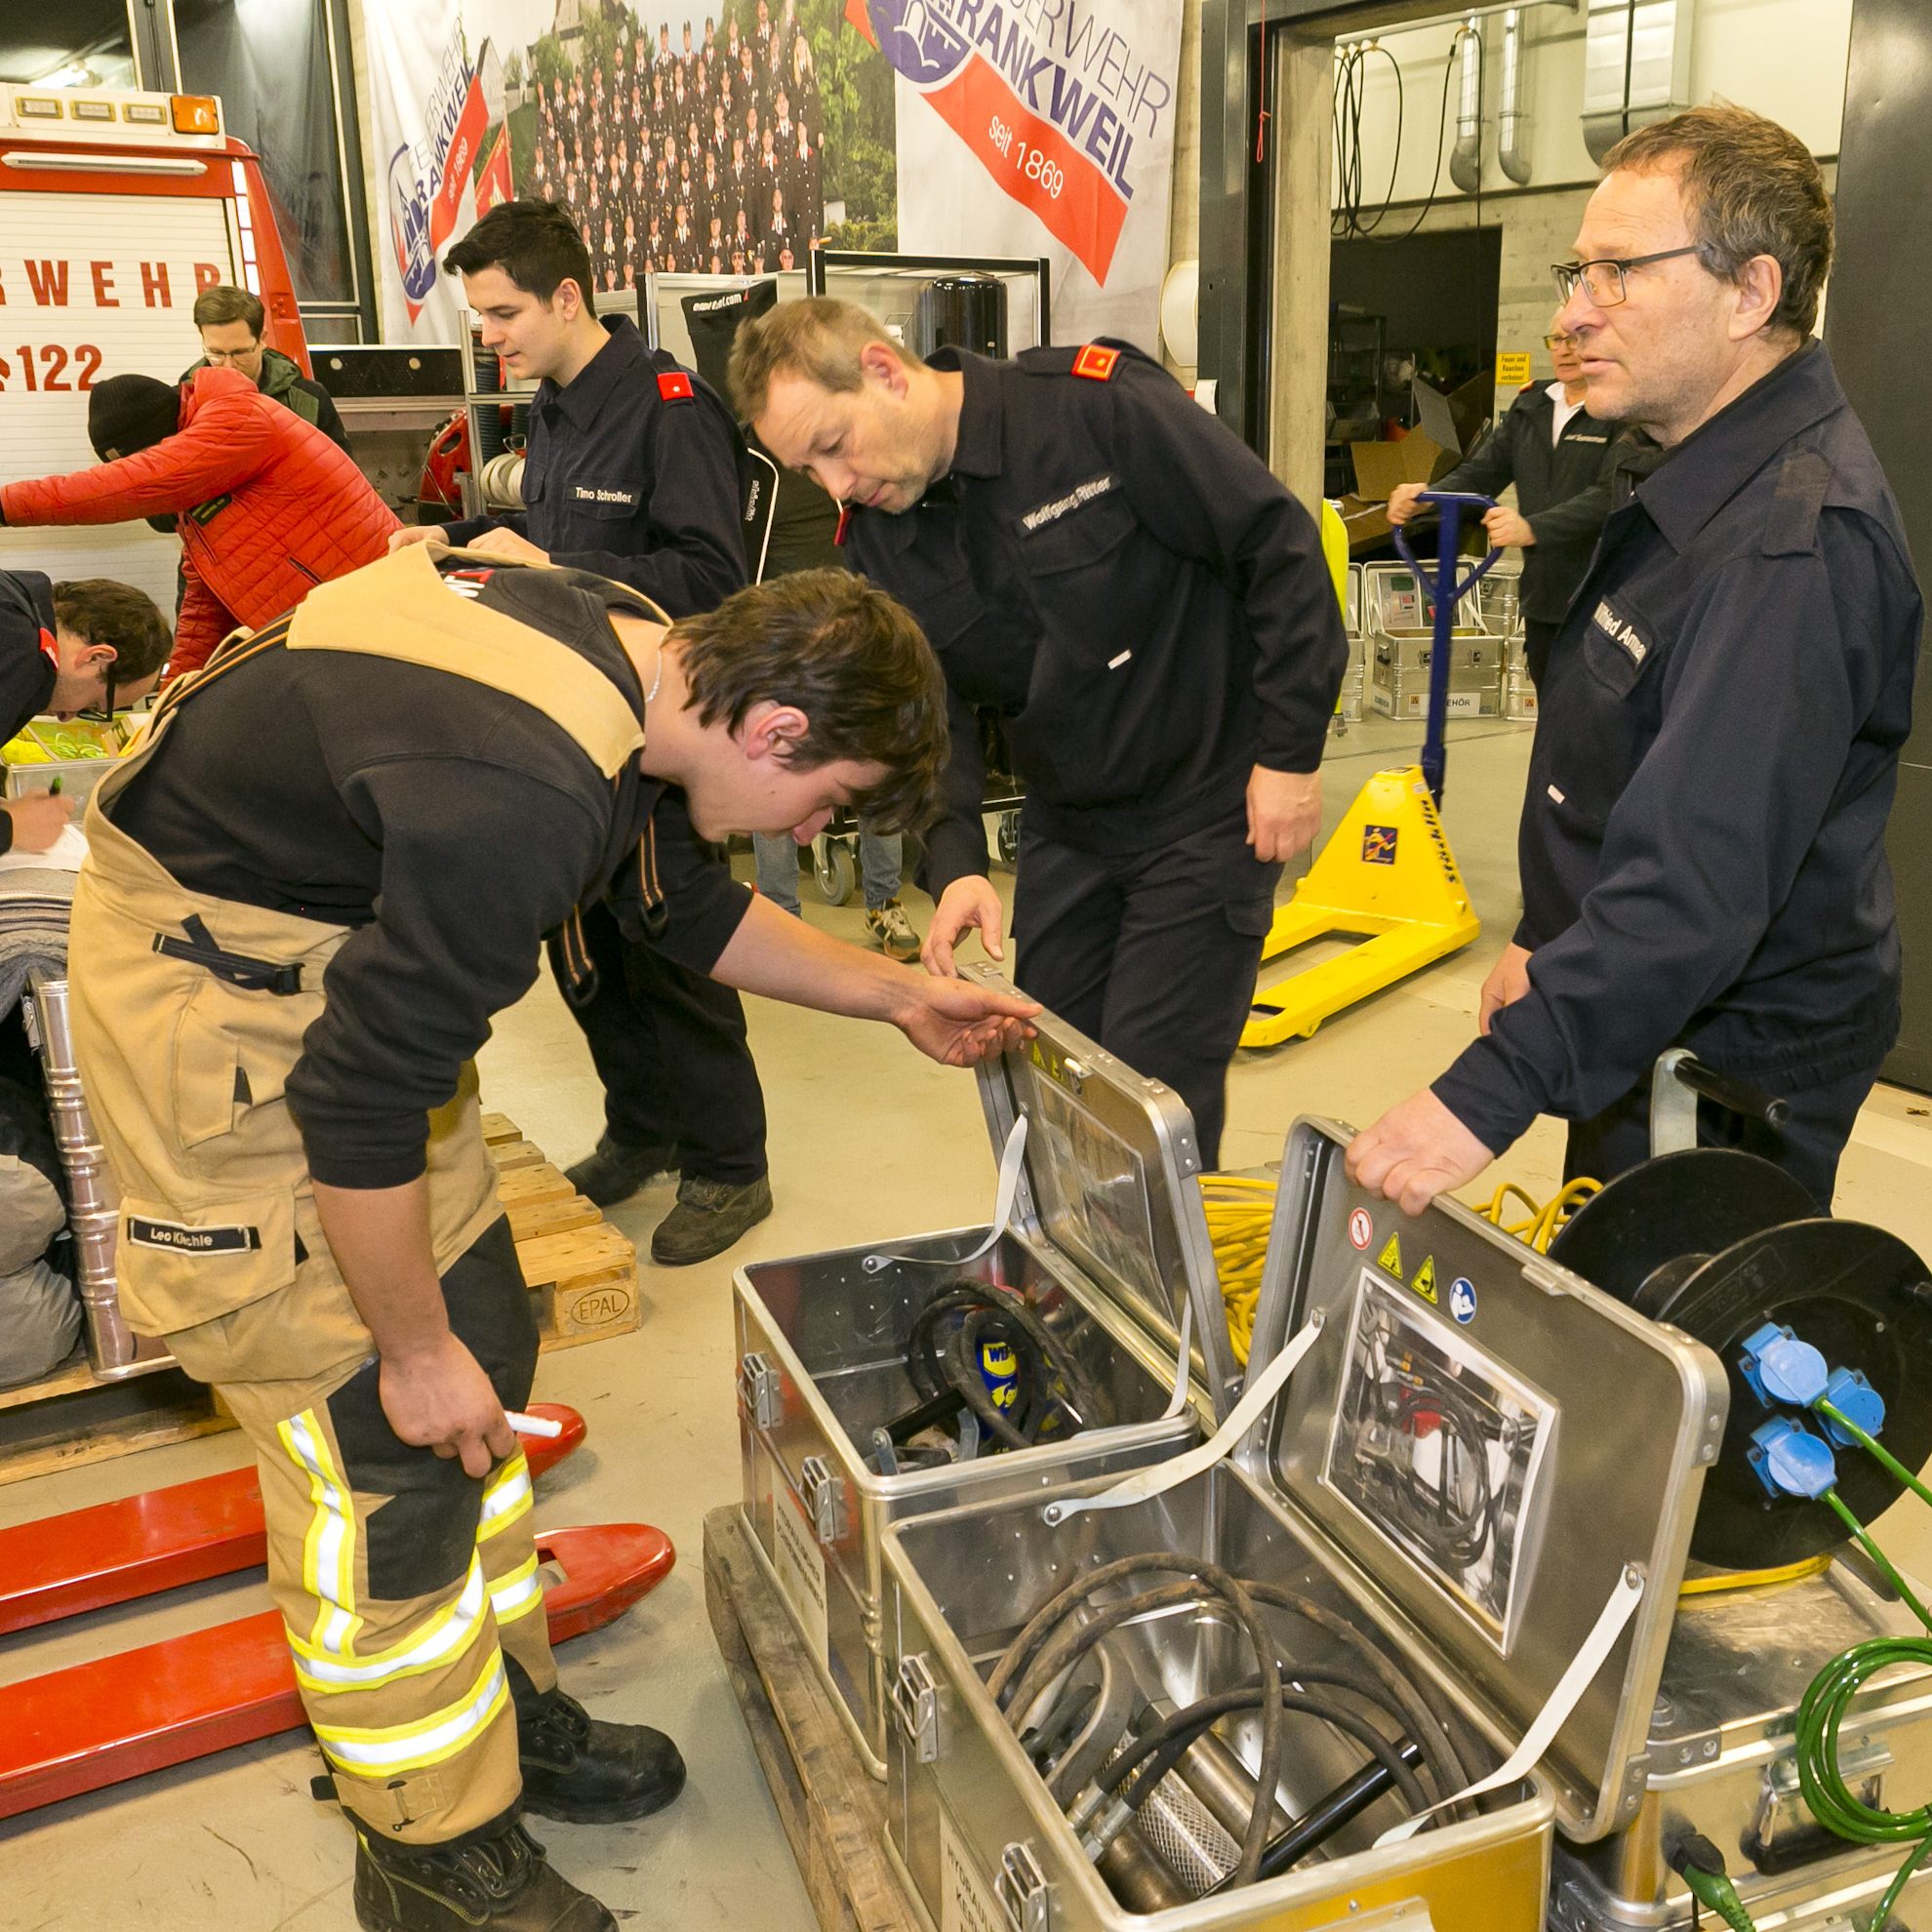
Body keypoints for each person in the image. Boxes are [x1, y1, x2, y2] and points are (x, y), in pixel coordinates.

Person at [66, 547, 1033, 1932]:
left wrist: (895, 996)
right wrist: (406, 1350)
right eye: (816, 806)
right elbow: (354, 1097)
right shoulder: (519, 790)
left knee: (490, 1341)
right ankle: (423, 1842)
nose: (796, 833)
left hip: (341, 961)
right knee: (380, 1444)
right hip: (223, 1008)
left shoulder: (646, 659)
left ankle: (493, 1713)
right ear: (773, 730)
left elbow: (674, 900)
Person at [1348, 104, 1920, 1220]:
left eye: (1615, 273)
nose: (1572, 313)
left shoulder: (1789, 545)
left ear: (1750, 293)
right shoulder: (1682, 465)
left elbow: (1694, 882)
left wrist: (1487, 1093)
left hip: (1724, 1063)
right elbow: (1626, 761)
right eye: (1578, 271)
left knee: (1683, 1356)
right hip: (1641, 1009)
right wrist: (1549, 935)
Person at [732, 300, 1348, 1168]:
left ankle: (1161, 1303)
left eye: (834, 446)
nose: (835, 485)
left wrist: (1289, 755)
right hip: (1070, 829)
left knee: (1147, 1101)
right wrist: (956, 866)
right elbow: (930, 708)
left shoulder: (1094, 410)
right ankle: (1067, 1295)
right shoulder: (883, 536)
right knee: (1045, 1085)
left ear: (882, 370)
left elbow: (1277, 547)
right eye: (809, 470)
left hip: (1204, 810)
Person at [398, 199, 767, 1264]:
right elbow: (551, 533)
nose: (490, 336)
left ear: (569, 297)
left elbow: (709, 579)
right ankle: (642, 1129)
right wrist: (460, 536)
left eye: (504, 312)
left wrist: (552, 572)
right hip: (570, 721)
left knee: (670, 937)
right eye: (480, 316)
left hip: (659, 727)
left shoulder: (670, 409)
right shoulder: (554, 409)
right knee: (587, 944)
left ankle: (732, 1167)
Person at [0, 369, 396, 678]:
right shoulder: (202, 483)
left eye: (138, 457)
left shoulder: (239, 420)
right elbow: (206, 598)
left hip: (383, 621)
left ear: (160, 439)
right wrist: (177, 691)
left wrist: (5, 507)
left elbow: (125, 485)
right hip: (338, 635)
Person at [1388, 315, 1626, 687]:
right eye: (1556, 340)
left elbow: (1611, 495)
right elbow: (1483, 472)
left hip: (1599, 596)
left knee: (1591, 719)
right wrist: (1429, 497)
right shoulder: (1532, 406)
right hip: (1543, 595)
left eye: (1575, 340)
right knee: (1549, 714)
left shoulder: (1620, 410)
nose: (1563, 350)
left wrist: (1532, 528)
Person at [0, 572, 170, 855]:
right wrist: (13, 825)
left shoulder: (17, 598)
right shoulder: (21, 655)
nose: (67, 717)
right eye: (93, 706)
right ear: (96, 657)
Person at [181, 283, 351, 455]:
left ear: (262, 339)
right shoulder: (184, 399)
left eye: (239, 353)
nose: (228, 366)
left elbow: (345, 472)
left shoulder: (308, 400)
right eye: (215, 353)